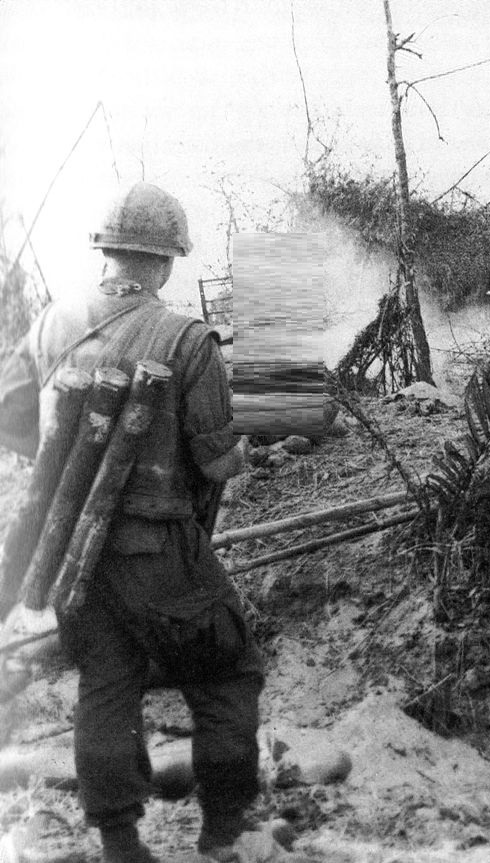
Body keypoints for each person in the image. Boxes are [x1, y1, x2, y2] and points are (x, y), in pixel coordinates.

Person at [0, 182, 266, 863]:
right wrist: (247, 448)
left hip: (70, 551)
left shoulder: (53, 322)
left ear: (107, 251)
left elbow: (12, 417)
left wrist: (68, 467)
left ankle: (120, 840)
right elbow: (214, 458)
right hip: (157, 548)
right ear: (167, 261)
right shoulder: (187, 337)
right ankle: (224, 831)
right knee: (226, 668)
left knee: (107, 677)